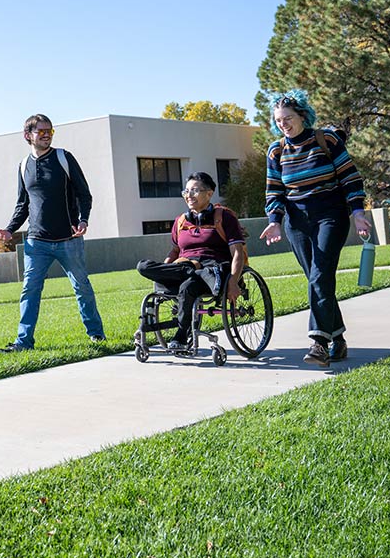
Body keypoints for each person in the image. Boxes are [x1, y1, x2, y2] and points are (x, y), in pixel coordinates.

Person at [259, 89, 372, 367]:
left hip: (330, 215)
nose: (283, 124)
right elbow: (274, 191)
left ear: (302, 116)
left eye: (287, 118)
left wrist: (358, 212)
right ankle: (339, 339)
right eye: (278, 120)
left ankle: (319, 343)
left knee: (320, 275)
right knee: (316, 278)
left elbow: (349, 177)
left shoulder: (326, 139)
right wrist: (274, 221)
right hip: (296, 221)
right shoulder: (276, 150)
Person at [0, 113, 105, 352]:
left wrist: (83, 220)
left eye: (49, 131)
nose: (46, 135)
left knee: (82, 287)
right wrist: (9, 229)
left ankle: (96, 334)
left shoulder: (64, 158)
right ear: (28, 135)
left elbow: (84, 194)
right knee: (30, 290)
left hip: (69, 239)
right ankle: (24, 342)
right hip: (36, 242)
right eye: (41, 131)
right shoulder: (23, 166)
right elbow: (22, 204)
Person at [136, 172, 247, 352]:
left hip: (214, 269)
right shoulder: (180, 221)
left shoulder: (224, 217)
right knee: (143, 266)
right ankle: (191, 271)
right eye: (186, 191)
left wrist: (234, 282)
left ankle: (181, 334)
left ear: (209, 193)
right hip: (185, 267)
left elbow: (238, 253)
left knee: (189, 285)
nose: (189, 195)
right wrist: (165, 271)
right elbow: (174, 251)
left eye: (194, 191)